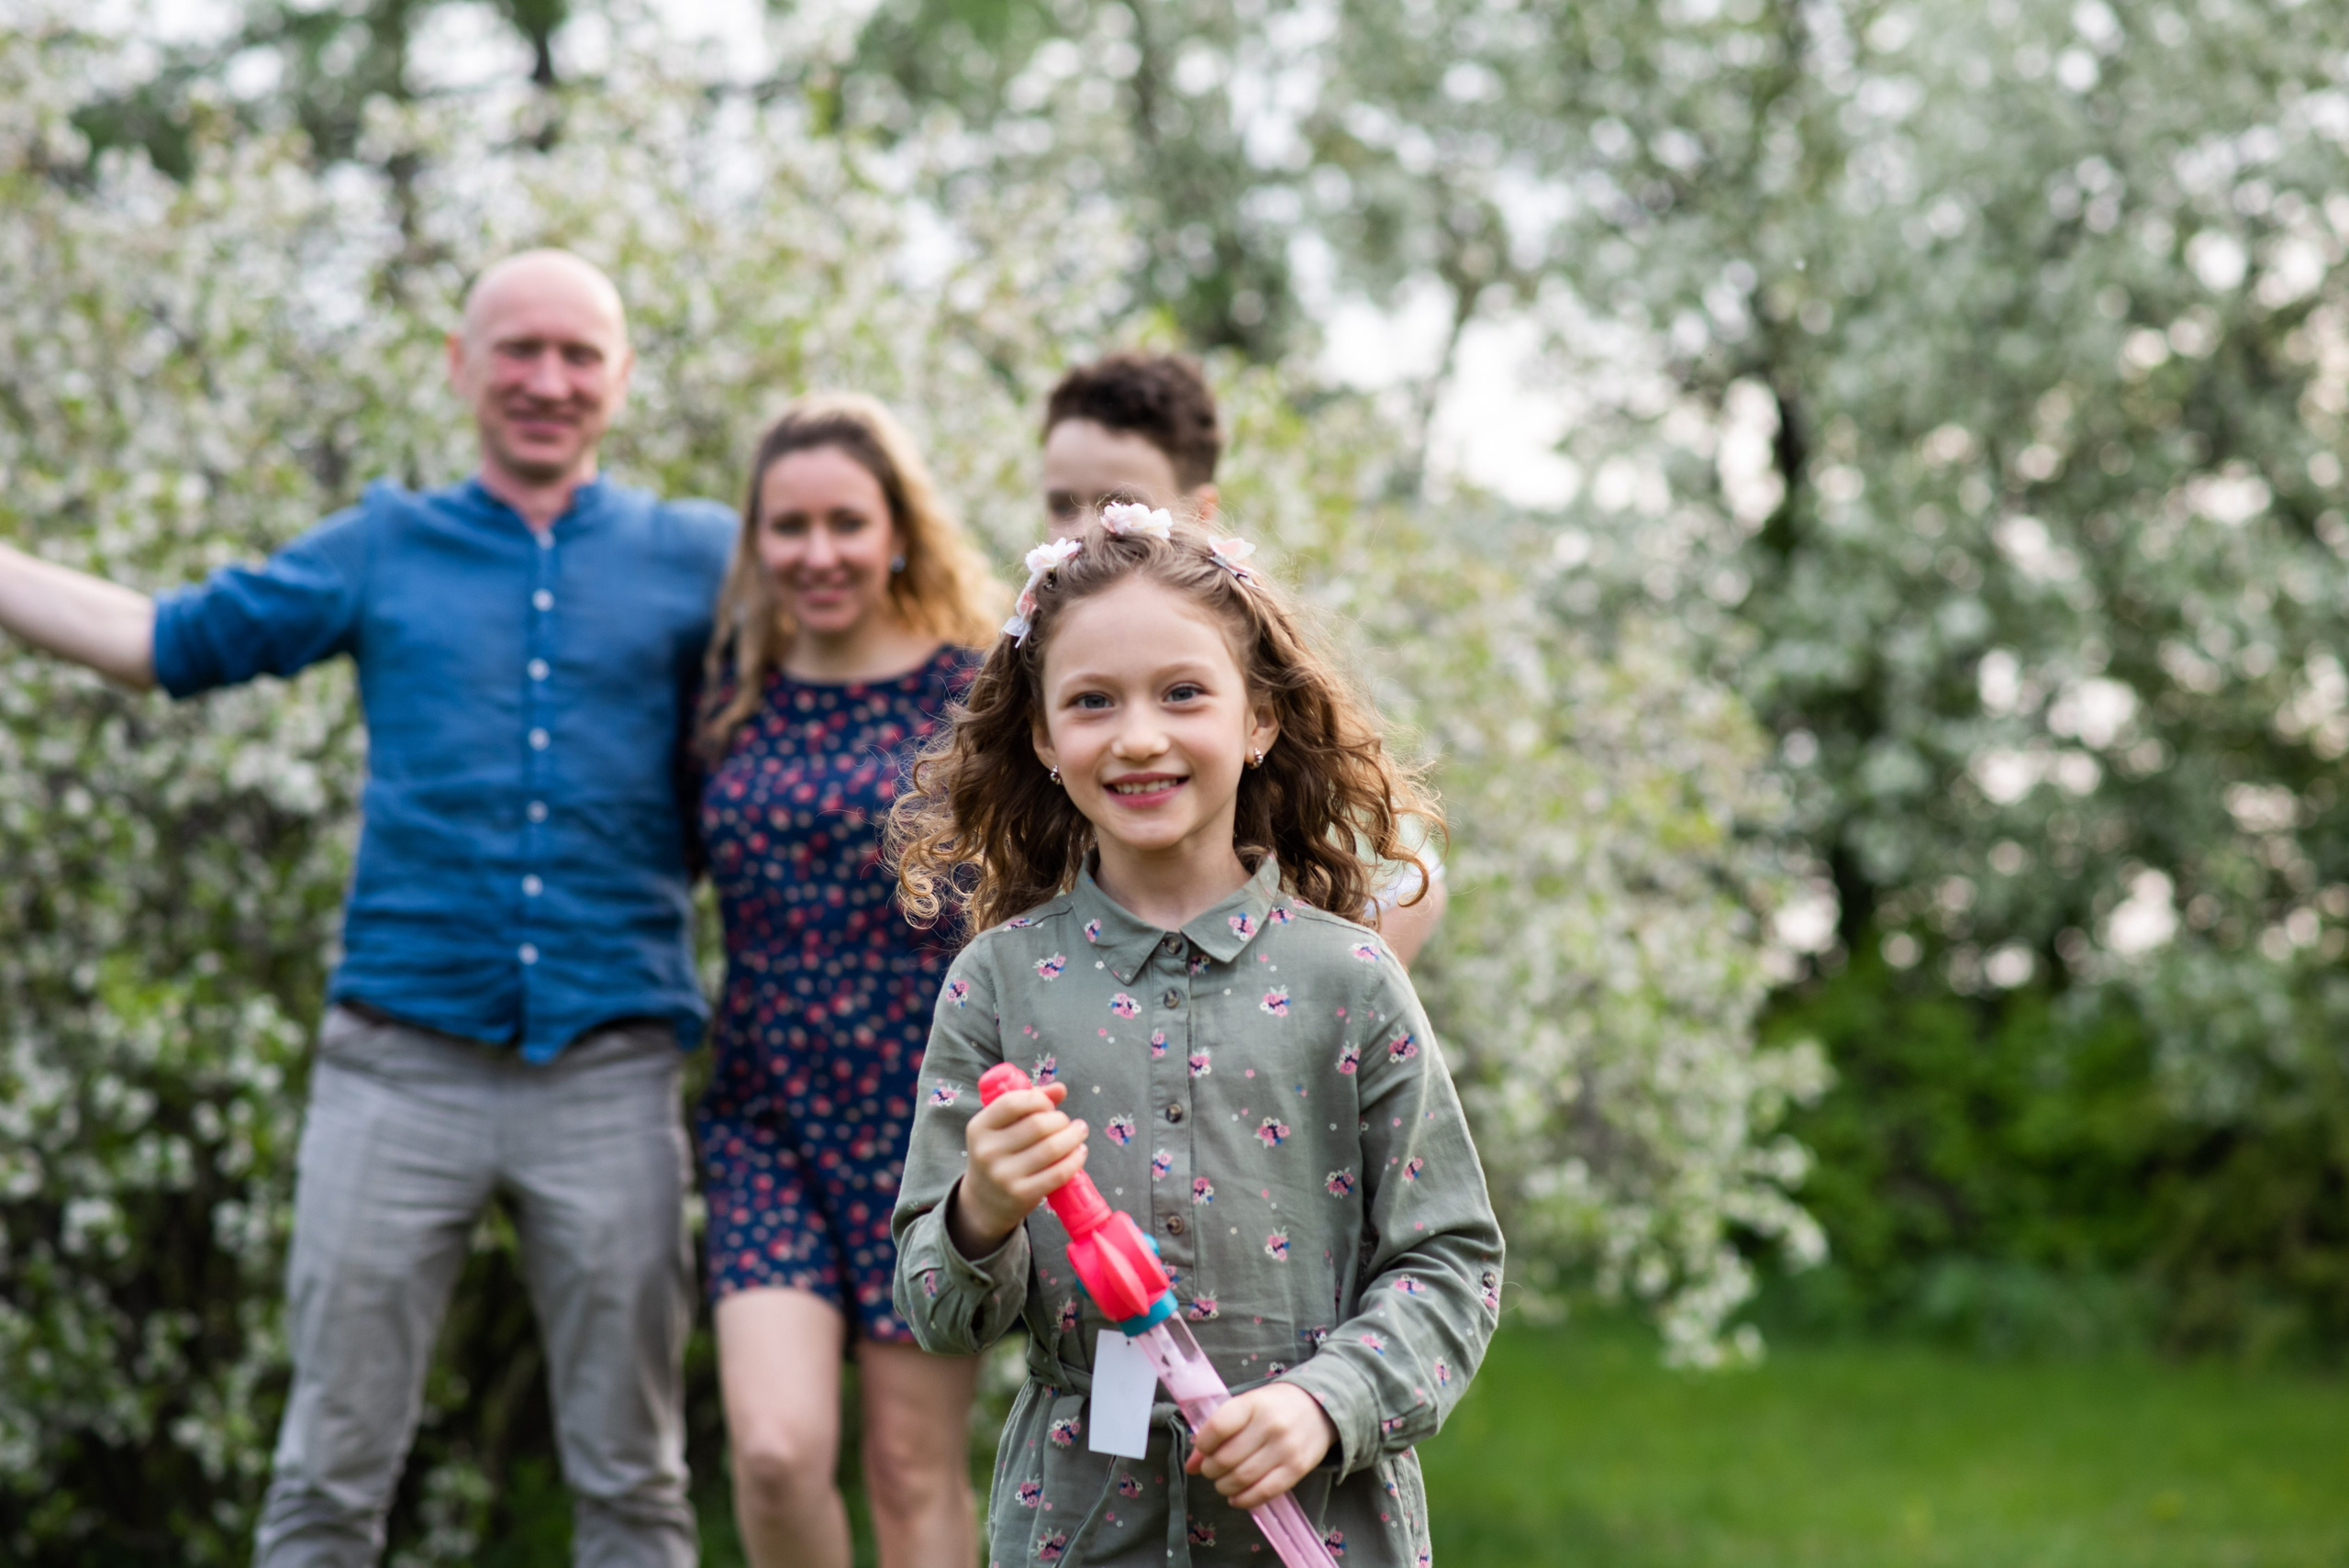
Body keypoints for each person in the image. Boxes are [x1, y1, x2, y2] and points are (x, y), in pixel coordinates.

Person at [0, 249, 727, 1567]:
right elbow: (159, 642)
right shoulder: (387, 544)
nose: (547, 380)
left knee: (634, 1482)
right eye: (518, 349)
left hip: (610, 1075)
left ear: (620, 379)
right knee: (330, 1476)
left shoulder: (697, 555)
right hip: (396, 1069)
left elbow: (889, 634)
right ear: (459, 366)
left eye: (578, 355)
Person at [886, 506, 1504, 1567]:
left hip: (1318, 1514)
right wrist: (981, 1209)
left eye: (1182, 692)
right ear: (1041, 737)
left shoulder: (1349, 978)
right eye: (1090, 700)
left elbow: (1450, 1261)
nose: (1136, 734)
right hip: (1078, 1523)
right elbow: (937, 1309)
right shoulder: (997, 982)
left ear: (1258, 717)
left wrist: (1329, 1400)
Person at [694, 394, 1001, 1568]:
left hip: (925, 1126)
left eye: (845, 522)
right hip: (765, 1115)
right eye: (788, 526)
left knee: (911, 1470)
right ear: (757, 542)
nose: (816, 553)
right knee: (772, 1451)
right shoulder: (726, 697)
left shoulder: (975, 699)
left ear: (897, 532)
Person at [1039, 352, 1451, 965]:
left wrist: (1301, 1006)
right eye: (1062, 502)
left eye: (1117, 501)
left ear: (1201, 511)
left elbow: (1412, 885)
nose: (1085, 527)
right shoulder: (1031, 653)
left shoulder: (1241, 655)